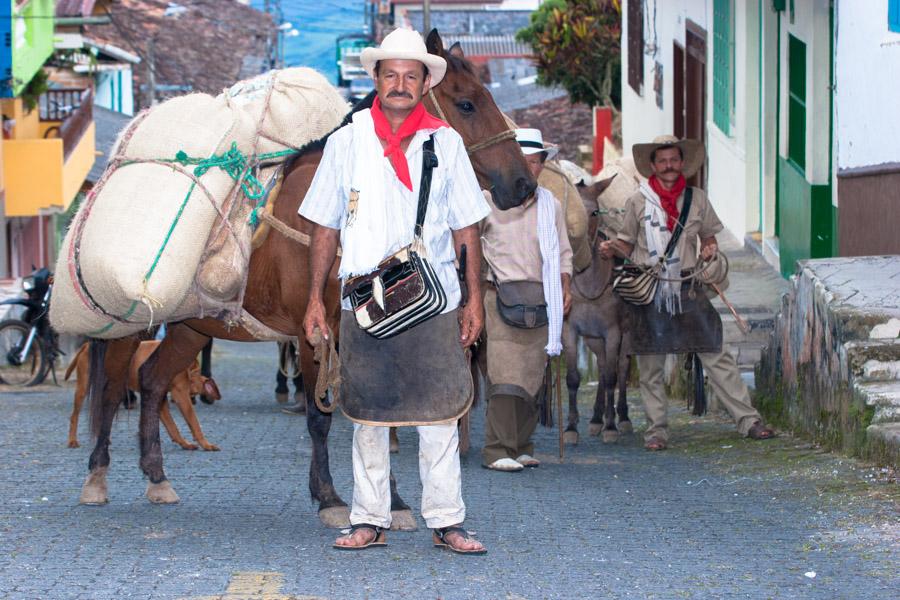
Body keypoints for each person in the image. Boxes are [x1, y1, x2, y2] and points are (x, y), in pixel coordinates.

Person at [300, 28, 489, 554]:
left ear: (425, 83)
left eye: (411, 75)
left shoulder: (447, 143)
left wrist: (473, 299)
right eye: (391, 75)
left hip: (436, 299)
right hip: (363, 303)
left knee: (441, 412)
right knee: (367, 414)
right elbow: (323, 227)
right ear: (377, 81)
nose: (401, 84)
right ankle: (368, 518)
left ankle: (447, 520)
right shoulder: (346, 141)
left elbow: (467, 228)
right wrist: (315, 298)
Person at [600, 135, 775, 451]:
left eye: (674, 160)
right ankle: (656, 430)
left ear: (682, 163)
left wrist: (709, 249)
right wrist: (610, 248)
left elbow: (709, 237)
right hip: (650, 291)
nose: (669, 166)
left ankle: (748, 421)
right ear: (653, 165)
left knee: (716, 354)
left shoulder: (698, 199)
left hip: (688, 289)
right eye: (662, 160)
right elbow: (626, 244)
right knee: (651, 366)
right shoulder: (638, 202)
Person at [480, 128, 573, 471]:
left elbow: (563, 252)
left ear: (542, 166)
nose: (529, 168)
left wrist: (564, 284)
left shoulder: (552, 205)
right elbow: (470, 248)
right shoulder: (488, 202)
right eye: (524, 161)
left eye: (535, 162)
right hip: (500, 294)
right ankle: (497, 450)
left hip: (542, 296)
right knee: (505, 373)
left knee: (533, 376)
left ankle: (521, 446)